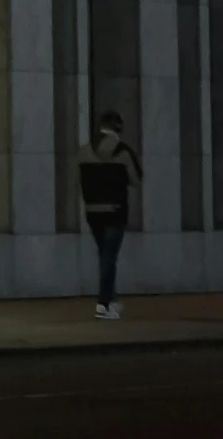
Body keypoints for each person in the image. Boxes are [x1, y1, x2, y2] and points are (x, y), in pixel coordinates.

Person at [78, 110, 142, 318]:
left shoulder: (84, 150)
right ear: (118, 129)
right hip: (115, 211)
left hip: (92, 212)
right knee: (109, 258)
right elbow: (136, 179)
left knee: (105, 256)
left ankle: (112, 299)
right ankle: (104, 305)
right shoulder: (123, 151)